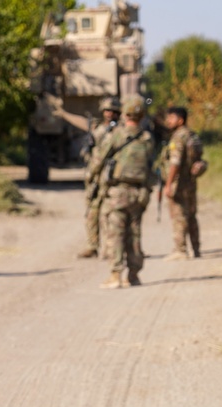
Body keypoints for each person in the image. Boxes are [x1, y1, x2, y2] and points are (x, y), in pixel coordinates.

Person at [87, 94, 155, 289]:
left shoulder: (117, 135)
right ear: (142, 115)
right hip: (140, 193)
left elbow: (99, 159)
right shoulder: (147, 138)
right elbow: (151, 165)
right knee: (134, 234)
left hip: (118, 192)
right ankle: (133, 275)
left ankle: (115, 275)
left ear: (125, 114)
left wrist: (91, 177)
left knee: (115, 234)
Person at [79, 96, 122, 259]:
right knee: (92, 211)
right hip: (95, 176)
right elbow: (90, 153)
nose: (109, 114)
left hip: (111, 177)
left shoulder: (121, 131)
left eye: (112, 111)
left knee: (110, 214)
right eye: (106, 111)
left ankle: (111, 248)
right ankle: (92, 245)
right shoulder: (97, 129)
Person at [160, 106, 206, 260]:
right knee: (192, 215)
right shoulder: (192, 135)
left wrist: (168, 183)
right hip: (190, 182)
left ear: (180, 120)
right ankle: (196, 248)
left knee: (179, 215)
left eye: (171, 118)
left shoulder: (179, 137)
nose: (168, 121)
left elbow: (175, 162)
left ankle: (180, 250)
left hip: (179, 183)